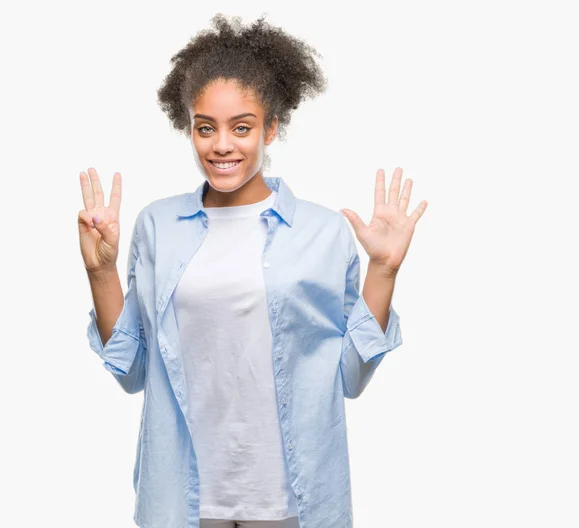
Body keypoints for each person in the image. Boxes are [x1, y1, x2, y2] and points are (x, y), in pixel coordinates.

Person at [78, 13, 427, 528]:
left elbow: (350, 379)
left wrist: (384, 270)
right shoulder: (158, 226)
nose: (222, 145)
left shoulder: (323, 232)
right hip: (183, 499)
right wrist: (101, 272)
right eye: (205, 128)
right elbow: (131, 372)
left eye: (241, 127)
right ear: (189, 128)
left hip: (293, 500)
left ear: (270, 127)